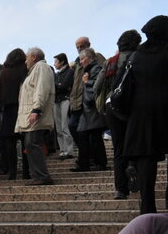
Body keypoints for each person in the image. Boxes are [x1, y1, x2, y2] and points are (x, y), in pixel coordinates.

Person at [110, 15, 168, 214]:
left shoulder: (136, 56)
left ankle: (147, 205)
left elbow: (119, 84)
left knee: (146, 157)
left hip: (141, 112)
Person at [96, 30, 141, 199]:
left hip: (112, 106)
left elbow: (97, 86)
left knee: (118, 148)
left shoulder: (110, 61)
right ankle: (133, 165)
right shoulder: (139, 58)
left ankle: (120, 189)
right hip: (134, 108)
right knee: (136, 143)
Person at [14, 47, 55, 185]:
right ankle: (38, 176)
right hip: (31, 114)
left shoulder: (41, 67)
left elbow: (41, 89)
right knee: (30, 145)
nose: (26, 61)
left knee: (32, 144)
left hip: (35, 114)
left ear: (34, 57)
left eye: (27, 58)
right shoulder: (36, 70)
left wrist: (36, 109)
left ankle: (42, 176)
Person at [69, 39, 109, 171]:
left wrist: (87, 82)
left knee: (93, 136)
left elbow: (100, 84)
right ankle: (86, 163)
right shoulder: (85, 68)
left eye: (83, 59)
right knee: (84, 134)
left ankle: (96, 163)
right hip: (85, 106)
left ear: (90, 58)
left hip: (91, 107)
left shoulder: (96, 67)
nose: (81, 62)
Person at [0, 49, 29, 180]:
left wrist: (0, 107)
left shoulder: (4, 72)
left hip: (9, 111)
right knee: (25, 142)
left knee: (10, 144)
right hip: (23, 109)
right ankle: (26, 172)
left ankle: (12, 172)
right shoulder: (25, 71)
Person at [53, 53, 75, 159]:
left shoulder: (69, 71)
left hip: (65, 100)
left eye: (56, 62)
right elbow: (57, 86)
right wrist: (59, 86)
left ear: (62, 62)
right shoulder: (57, 74)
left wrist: (58, 86)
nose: (54, 64)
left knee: (64, 125)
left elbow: (65, 86)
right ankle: (62, 150)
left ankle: (69, 151)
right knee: (58, 128)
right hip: (56, 101)